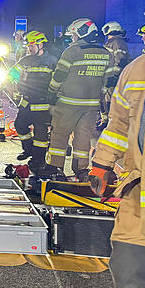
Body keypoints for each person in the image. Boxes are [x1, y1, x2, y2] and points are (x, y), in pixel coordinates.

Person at [88, 53, 145, 288]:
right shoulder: (136, 70)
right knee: (128, 265)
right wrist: (102, 163)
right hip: (139, 193)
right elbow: (119, 125)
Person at [46, 18, 116, 179]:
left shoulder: (72, 52)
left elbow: (59, 76)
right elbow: (109, 79)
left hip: (67, 104)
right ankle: (81, 169)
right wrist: (100, 93)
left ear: (82, 33)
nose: (72, 39)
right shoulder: (107, 54)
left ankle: (55, 168)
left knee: (60, 135)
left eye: (74, 35)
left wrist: (51, 92)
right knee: (83, 137)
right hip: (91, 106)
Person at [6, 31, 57, 174]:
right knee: (20, 125)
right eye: (28, 46)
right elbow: (13, 73)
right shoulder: (26, 60)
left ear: (41, 45)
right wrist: (6, 82)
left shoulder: (52, 61)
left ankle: (38, 161)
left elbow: (58, 82)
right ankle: (28, 149)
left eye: (32, 45)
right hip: (27, 101)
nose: (29, 48)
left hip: (43, 103)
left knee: (41, 134)